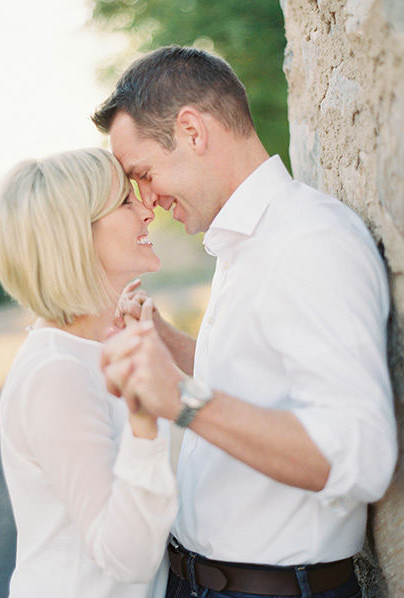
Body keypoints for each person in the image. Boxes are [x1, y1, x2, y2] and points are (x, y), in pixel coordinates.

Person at [93, 46, 397, 598]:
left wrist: (181, 398)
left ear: (191, 131)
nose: (148, 200)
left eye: (143, 174)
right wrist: (168, 345)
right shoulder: (246, 244)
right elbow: (260, 380)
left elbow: (360, 456)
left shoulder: (309, 241)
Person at [0, 147, 178, 598]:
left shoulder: (91, 350)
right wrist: (145, 416)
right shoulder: (56, 371)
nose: (147, 210)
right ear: (75, 234)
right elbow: (126, 558)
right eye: (125, 202)